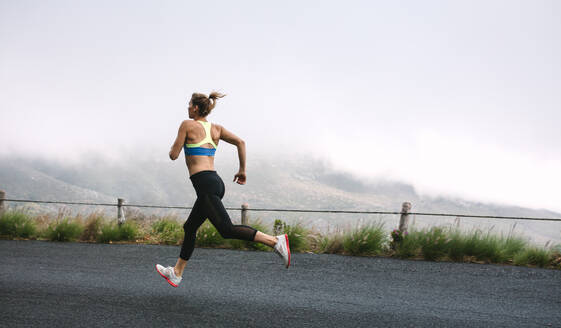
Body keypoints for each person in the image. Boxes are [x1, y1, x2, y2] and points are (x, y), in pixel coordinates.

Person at [156, 92, 290, 288]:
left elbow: (173, 155)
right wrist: (242, 170)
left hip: (205, 185)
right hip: (215, 182)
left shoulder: (186, 124)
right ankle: (176, 272)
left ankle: (274, 241)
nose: (187, 108)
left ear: (195, 108)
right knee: (190, 227)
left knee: (226, 230)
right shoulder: (216, 128)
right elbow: (240, 142)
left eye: (189, 104)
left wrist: (175, 147)